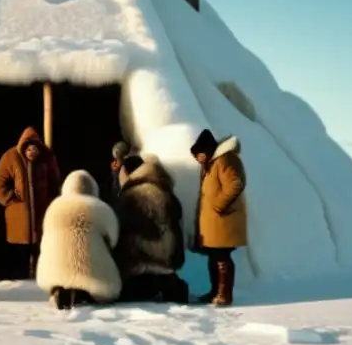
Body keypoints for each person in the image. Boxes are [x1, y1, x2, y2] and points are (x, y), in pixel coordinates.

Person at [36, 170, 121, 310]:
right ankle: (84, 294)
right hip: (93, 275)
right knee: (99, 278)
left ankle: (61, 289)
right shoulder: (100, 208)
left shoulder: (54, 207)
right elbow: (113, 239)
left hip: (54, 270)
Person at [114, 155, 189, 303]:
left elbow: (119, 231)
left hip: (135, 268)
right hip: (165, 266)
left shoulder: (129, 196)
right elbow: (177, 228)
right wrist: (176, 259)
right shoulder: (166, 192)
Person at [0, 127, 61, 279]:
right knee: (19, 252)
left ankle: (39, 277)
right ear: (23, 148)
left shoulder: (47, 158)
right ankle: (20, 281)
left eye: (35, 148)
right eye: (29, 149)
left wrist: (52, 202)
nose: (32, 152)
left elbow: (55, 182)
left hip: (41, 214)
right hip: (18, 216)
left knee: (41, 249)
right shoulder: (10, 157)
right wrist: (10, 197)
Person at [190, 129, 247, 307]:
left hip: (224, 220)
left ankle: (225, 295)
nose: (198, 159)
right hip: (214, 222)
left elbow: (235, 184)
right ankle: (215, 291)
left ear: (206, 151)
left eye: (199, 154)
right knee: (214, 257)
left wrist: (218, 206)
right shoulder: (211, 165)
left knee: (222, 258)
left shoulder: (225, 160)